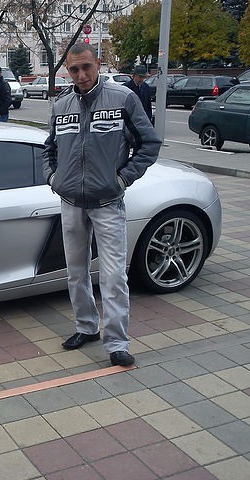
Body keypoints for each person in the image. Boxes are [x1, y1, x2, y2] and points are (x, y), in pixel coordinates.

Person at [42, 43, 161, 367]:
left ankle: (117, 343)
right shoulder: (62, 104)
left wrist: (122, 179)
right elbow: (49, 149)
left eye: (86, 67)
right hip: (71, 202)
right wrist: (53, 178)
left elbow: (149, 144)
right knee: (75, 272)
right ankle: (86, 327)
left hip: (108, 202)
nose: (81, 75)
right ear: (68, 70)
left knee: (113, 276)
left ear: (98, 64)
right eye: (74, 69)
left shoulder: (122, 99)